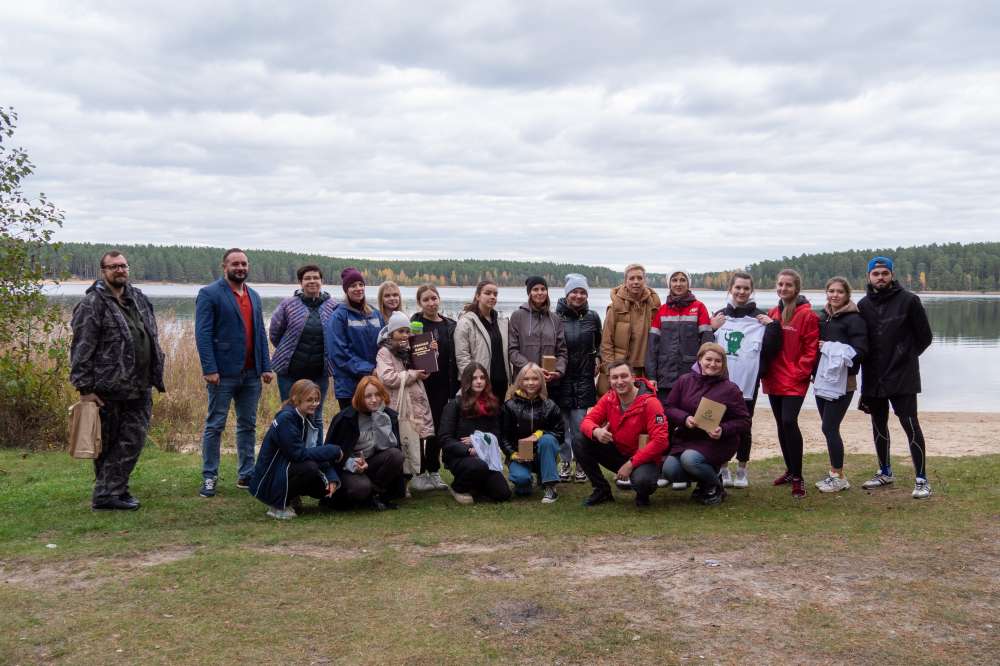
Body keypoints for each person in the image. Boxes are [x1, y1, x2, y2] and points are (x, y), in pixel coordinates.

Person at [70, 250, 166, 511]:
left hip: (140, 384)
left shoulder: (138, 299)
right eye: (113, 267)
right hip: (107, 387)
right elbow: (81, 348)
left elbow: (151, 335)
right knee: (109, 444)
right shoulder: (92, 304)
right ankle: (108, 494)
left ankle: (112, 490)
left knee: (133, 439)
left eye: (123, 266)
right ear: (103, 271)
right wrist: (84, 388)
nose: (120, 270)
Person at [195, 248, 274, 498]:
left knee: (247, 425)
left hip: (251, 374)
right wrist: (209, 368)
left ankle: (246, 474)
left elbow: (260, 333)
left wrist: (266, 366)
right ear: (225, 266)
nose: (240, 268)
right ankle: (209, 476)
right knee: (215, 425)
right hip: (223, 374)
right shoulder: (209, 294)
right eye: (235, 264)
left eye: (244, 264)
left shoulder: (254, 296)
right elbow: (203, 334)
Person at [857, 256, 934, 499]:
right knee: (878, 424)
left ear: (892, 275)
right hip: (873, 376)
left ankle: (921, 479)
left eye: (884, 273)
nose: (880, 277)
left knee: (910, 425)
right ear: (869, 277)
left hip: (903, 375)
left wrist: (905, 356)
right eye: (876, 273)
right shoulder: (863, 305)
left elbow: (925, 337)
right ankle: (885, 471)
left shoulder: (909, 300)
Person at [709, 271, 782, 488]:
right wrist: (711, 328)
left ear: (752, 291)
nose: (741, 292)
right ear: (730, 289)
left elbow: (772, 350)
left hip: (747, 385)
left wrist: (772, 326)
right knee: (716, 424)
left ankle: (742, 469)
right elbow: (705, 348)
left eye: (746, 288)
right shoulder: (720, 316)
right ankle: (723, 468)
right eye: (738, 287)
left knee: (744, 427)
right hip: (719, 383)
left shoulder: (760, 319)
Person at [661, 343, 751, 505]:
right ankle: (706, 481)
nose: (712, 364)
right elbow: (668, 407)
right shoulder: (684, 381)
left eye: (718, 361)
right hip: (687, 438)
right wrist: (684, 418)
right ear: (700, 360)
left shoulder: (730, 389)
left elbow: (744, 421)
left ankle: (715, 487)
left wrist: (723, 429)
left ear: (723, 364)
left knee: (690, 459)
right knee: (670, 470)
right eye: (708, 359)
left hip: (717, 441)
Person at [575, 359, 669, 507]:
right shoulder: (609, 398)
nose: (619, 381)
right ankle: (601, 490)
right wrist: (596, 431)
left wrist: (631, 464)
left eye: (624, 376)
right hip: (619, 452)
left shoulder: (651, 403)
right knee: (580, 439)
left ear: (633, 377)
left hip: (644, 458)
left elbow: (661, 441)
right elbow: (586, 422)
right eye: (615, 377)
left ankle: (642, 493)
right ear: (609, 380)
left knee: (643, 482)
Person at [761, 268, 819, 499]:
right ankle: (789, 470)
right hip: (774, 377)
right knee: (780, 424)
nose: (783, 288)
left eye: (788, 285)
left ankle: (798, 477)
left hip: (794, 379)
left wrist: (799, 372)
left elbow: (811, 349)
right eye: (780, 284)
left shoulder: (807, 315)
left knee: (789, 421)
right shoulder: (773, 312)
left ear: (796, 288)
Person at [249, 380, 342, 520]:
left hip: (286, 469)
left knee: (322, 486)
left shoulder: (308, 417)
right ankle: (277, 506)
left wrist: (331, 477)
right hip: (269, 478)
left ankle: (291, 498)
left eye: (316, 400)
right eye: (309, 400)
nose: (314, 404)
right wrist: (333, 450)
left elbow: (315, 451)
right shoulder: (286, 418)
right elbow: (298, 454)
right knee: (309, 468)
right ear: (295, 398)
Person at [813, 277, 868, 493]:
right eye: (831, 291)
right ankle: (835, 473)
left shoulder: (855, 319)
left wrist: (829, 347)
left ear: (847, 295)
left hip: (844, 383)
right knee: (828, 428)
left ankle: (839, 476)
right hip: (821, 380)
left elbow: (860, 352)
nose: (835, 295)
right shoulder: (823, 317)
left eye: (839, 292)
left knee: (829, 427)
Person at [268, 265, 339, 429]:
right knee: (289, 414)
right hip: (289, 372)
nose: (312, 281)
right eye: (307, 278)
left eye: (316, 278)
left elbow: (338, 336)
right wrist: (286, 350)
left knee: (316, 416)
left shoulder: (333, 306)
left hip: (319, 373)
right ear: (300, 282)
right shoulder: (288, 305)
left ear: (322, 281)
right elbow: (275, 333)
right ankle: (290, 446)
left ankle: (314, 446)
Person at [374, 312, 435, 493]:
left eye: (407, 331)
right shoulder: (384, 352)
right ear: (391, 333)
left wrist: (432, 353)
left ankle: (410, 480)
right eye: (400, 331)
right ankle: (397, 482)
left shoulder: (412, 348)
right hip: (397, 405)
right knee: (398, 442)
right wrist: (413, 374)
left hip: (414, 404)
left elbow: (424, 371)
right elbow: (388, 378)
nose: (405, 335)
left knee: (414, 441)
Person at [324, 376, 406, 510]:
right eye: (368, 396)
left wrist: (378, 419)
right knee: (361, 488)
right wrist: (352, 463)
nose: (374, 400)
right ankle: (361, 496)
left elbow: (387, 447)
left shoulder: (387, 416)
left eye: (377, 395)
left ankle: (375, 493)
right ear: (360, 397)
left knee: (396, 455)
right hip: (348, 467)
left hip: (372, 463)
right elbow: (331, 453)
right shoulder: (345, 418)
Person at [438, 363, 513, 504]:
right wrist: (469, 450)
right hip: (460, 456)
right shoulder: (454, 405)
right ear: (467, 381)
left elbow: (496, 434)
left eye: (482, 378)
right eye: (474, 378)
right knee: (477, 466)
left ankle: (476, 486)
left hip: (484, 455)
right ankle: (458, 487)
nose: (479, 381)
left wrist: (478, 441)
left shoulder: (492, 405)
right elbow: (445, 438)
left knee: (503, 493)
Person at [410, 284, 459, 491]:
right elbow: (407, 352)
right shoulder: (415, 324)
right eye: (426, 300)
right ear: (419, 303)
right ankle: (419, 471)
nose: (431, 303)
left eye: (434, 298)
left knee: (438, 428)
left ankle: (434, 469)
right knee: (419, 429)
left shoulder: (450, 325)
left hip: (443, 385)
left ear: (439, 299)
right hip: (420, 385)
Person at [554, 273, 601, 483]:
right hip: (561, 378)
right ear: (567, 294)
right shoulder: (555, 317)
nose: (578, 296)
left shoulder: (593, 317)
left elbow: (599, 343)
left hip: (583, 379)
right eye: (574, 292)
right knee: (562, 425)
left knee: (580, 427)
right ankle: (565, 461)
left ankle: (581, 463)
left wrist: (598, 358)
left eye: (582, 292)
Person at [647, 269, 715, 403]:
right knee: (666, 413)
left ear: (688, 284)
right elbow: (652, 348)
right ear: (669, 284)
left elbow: (707, 345)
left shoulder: (699, 307)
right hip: (665, 377)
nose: (678, 284)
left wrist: (705, 372)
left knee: (689, 413)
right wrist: (651, 376)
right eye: (674, 280)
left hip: (692, 376)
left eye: (683, 280)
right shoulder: (662, 310)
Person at [500, 363, 565, 503]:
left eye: (535, 379)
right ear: (520, 381)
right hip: (520, 454)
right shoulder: (509, 406)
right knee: (522, 487)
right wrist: (513, 454)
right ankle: (526, 480)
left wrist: (538, 434)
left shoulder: (550, 405)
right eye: (526, 379)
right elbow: (503, 437)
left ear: (541, 380)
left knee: (547, 439)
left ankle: (550, 486)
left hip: (543, 454)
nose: (530, 383)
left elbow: (560, 434)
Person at [326, 267, 385, 410]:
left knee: (376, 422)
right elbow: (339, 354)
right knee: (353, 423)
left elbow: (385, 343)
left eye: (361, 284)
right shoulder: (338, 316)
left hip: (374, 384)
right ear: (346, 290)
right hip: (349, 387)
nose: (358, 288)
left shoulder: (375, 314)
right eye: (353, 286)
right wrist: (369, 370)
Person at [598, 263, 661, 394]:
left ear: (645, 280)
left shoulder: (654, 305)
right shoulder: (615, 307)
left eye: (639, 278)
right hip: (621, 368)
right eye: (631, 278)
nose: (636, 282)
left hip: (646, 369)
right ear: (625, 281)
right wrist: (612, 370)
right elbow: (606, 343)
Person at [455, 279, 510, 402]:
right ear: (478, 296)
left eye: (495, 294)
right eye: (488, 293)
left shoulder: (501, 322)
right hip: (479, 384)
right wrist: (473, 380)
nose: (492, 297)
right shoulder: (466, 322)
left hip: (501, 383)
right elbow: (462, 357)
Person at [508, 275, 568, 384]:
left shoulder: (555, 319)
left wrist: (558, 371)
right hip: (525, 380)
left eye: (543, 289)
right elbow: (512, 351)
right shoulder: (517, 316)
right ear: (529, 293)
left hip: (550, 381)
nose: (540, 293)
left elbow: (562, 352)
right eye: (535, 289)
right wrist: (532, 369)